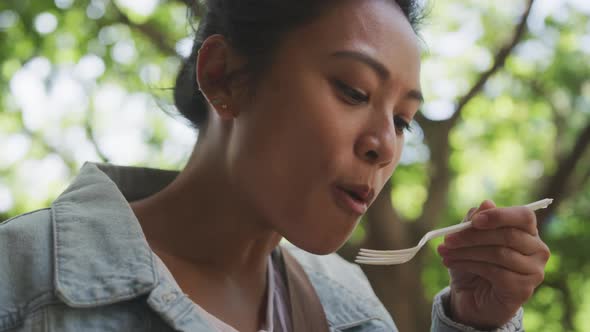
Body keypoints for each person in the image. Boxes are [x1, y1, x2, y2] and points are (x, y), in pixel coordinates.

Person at [0, 0, 551, 331]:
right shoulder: (22, 278)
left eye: (404, 120)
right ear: (224, 77)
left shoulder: (354, 310)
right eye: (353, 90)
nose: (385, 145)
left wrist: (477, 321)